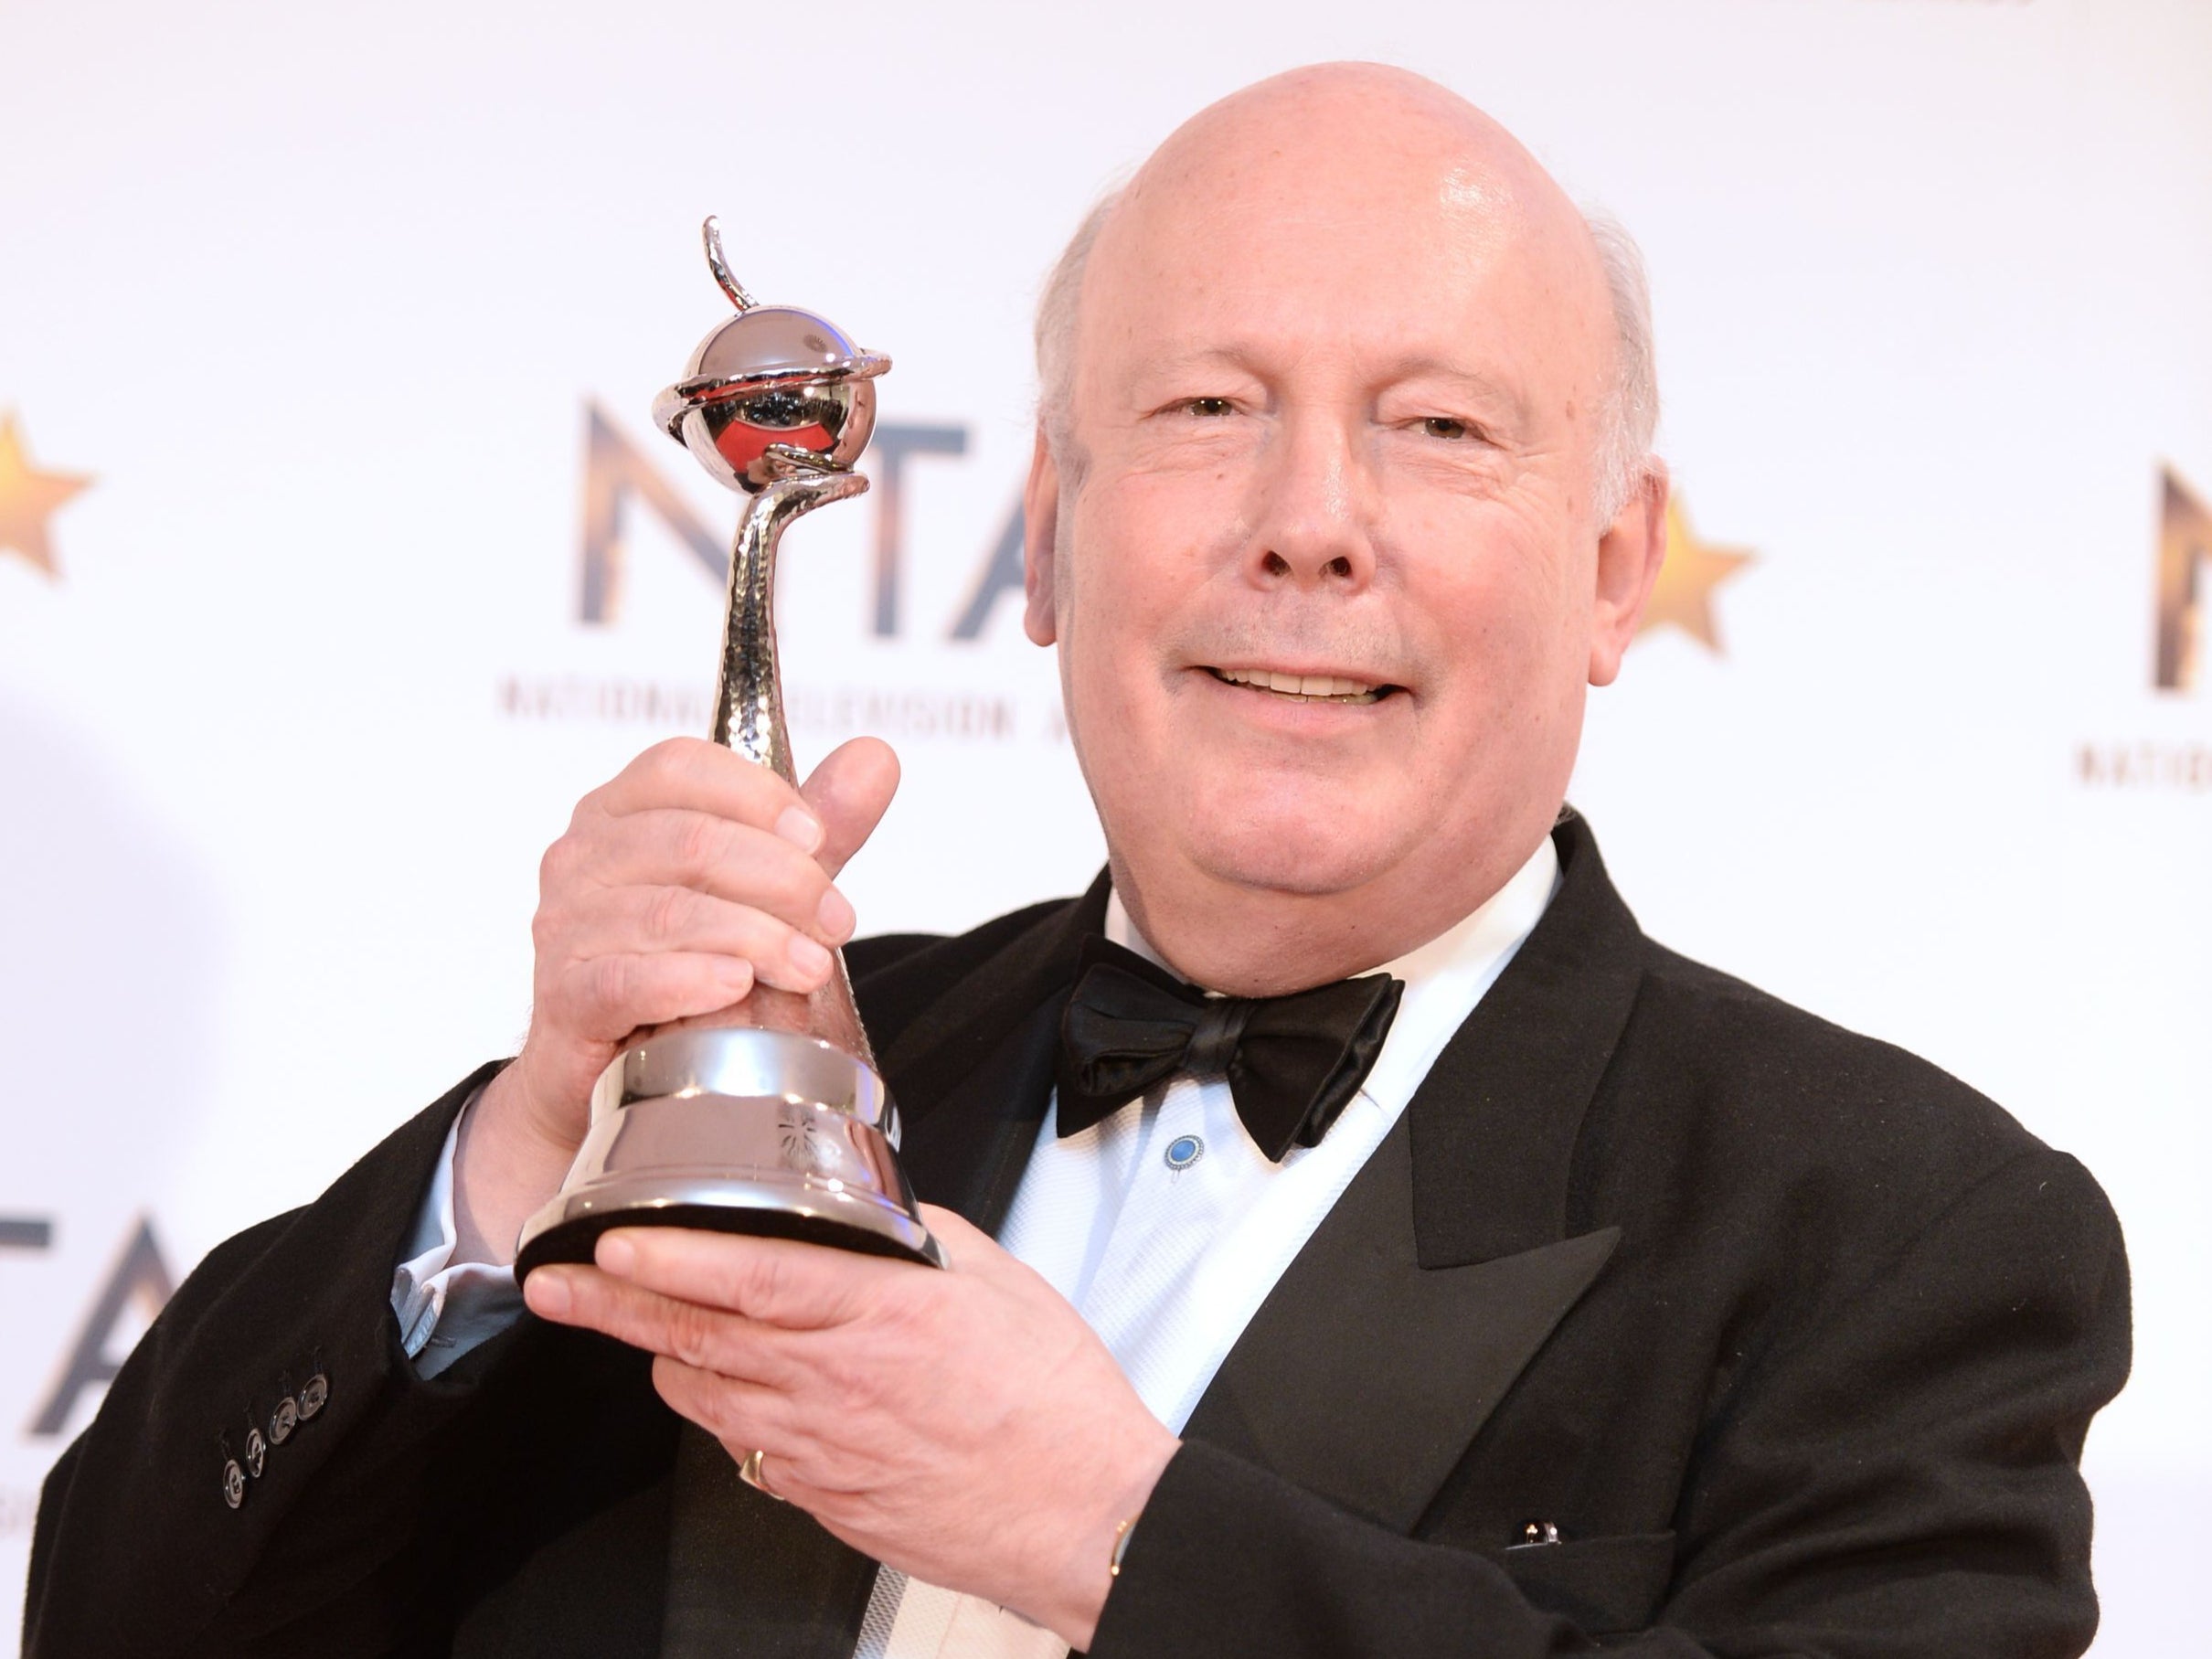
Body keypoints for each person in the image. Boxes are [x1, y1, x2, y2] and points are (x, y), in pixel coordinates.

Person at [27, 63, 2128, 1659]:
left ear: (1608, 567)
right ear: (1043, 536)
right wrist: (528, 1149)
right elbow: (127, 1613)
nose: (1309, 521)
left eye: (1438, 426)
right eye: (1209, 407)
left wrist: (1116, 1529)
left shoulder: (1905, 1239)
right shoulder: (791, 1072)